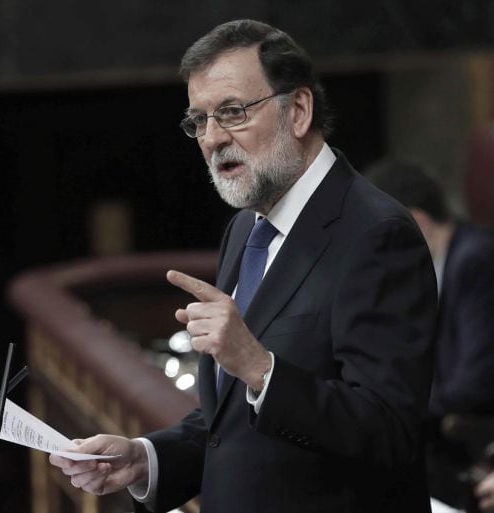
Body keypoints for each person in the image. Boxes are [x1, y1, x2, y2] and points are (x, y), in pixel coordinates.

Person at [48, 19, 438, 513]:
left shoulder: (377, 234)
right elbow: (232, 419)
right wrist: (148, 458)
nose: (211, 138)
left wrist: (258, 366)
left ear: (297, 110)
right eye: (199, 120)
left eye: (231, 112)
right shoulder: (246, 229)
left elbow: (389, 431)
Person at [368, 160, 494, 510]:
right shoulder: (448, 259)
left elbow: (478, 381)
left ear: (417, 222)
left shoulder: (475, 259)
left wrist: (398, 407)